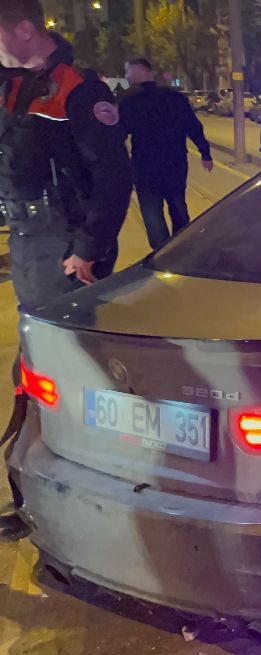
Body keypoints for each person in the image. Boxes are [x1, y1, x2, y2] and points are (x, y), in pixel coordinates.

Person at [0, 0, 132, 541]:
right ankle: (41, 493)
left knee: (57, 373)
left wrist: (88, 249)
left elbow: (114, 176)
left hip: (63, 247)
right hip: (29, 242)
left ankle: (63, 501)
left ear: (23, 30)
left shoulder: (78, 89)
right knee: (39, 370)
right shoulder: (14, 86)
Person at [119, 57, 212, 251]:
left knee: (151, 211)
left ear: (138, 71)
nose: (126, 76)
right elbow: (193, 126)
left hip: (145, 164)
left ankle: (161, 251)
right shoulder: (175, 97)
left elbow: (120, 132)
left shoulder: (129, 101)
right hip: (175, 161)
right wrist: (205, 153)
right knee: (178, 204)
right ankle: (181, 246)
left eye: (128, 71)